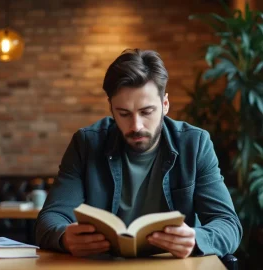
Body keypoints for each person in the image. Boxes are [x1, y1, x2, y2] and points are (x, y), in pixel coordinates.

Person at [35, 48, 242, 259]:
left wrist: (196, 239)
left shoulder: (195, 144)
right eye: (124, 114)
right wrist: (65, 237)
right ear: (111, 109)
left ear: (165, 104)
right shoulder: (86, 144)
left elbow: (228, 225)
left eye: (146, 112)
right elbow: (50, 219)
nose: (136, 126)